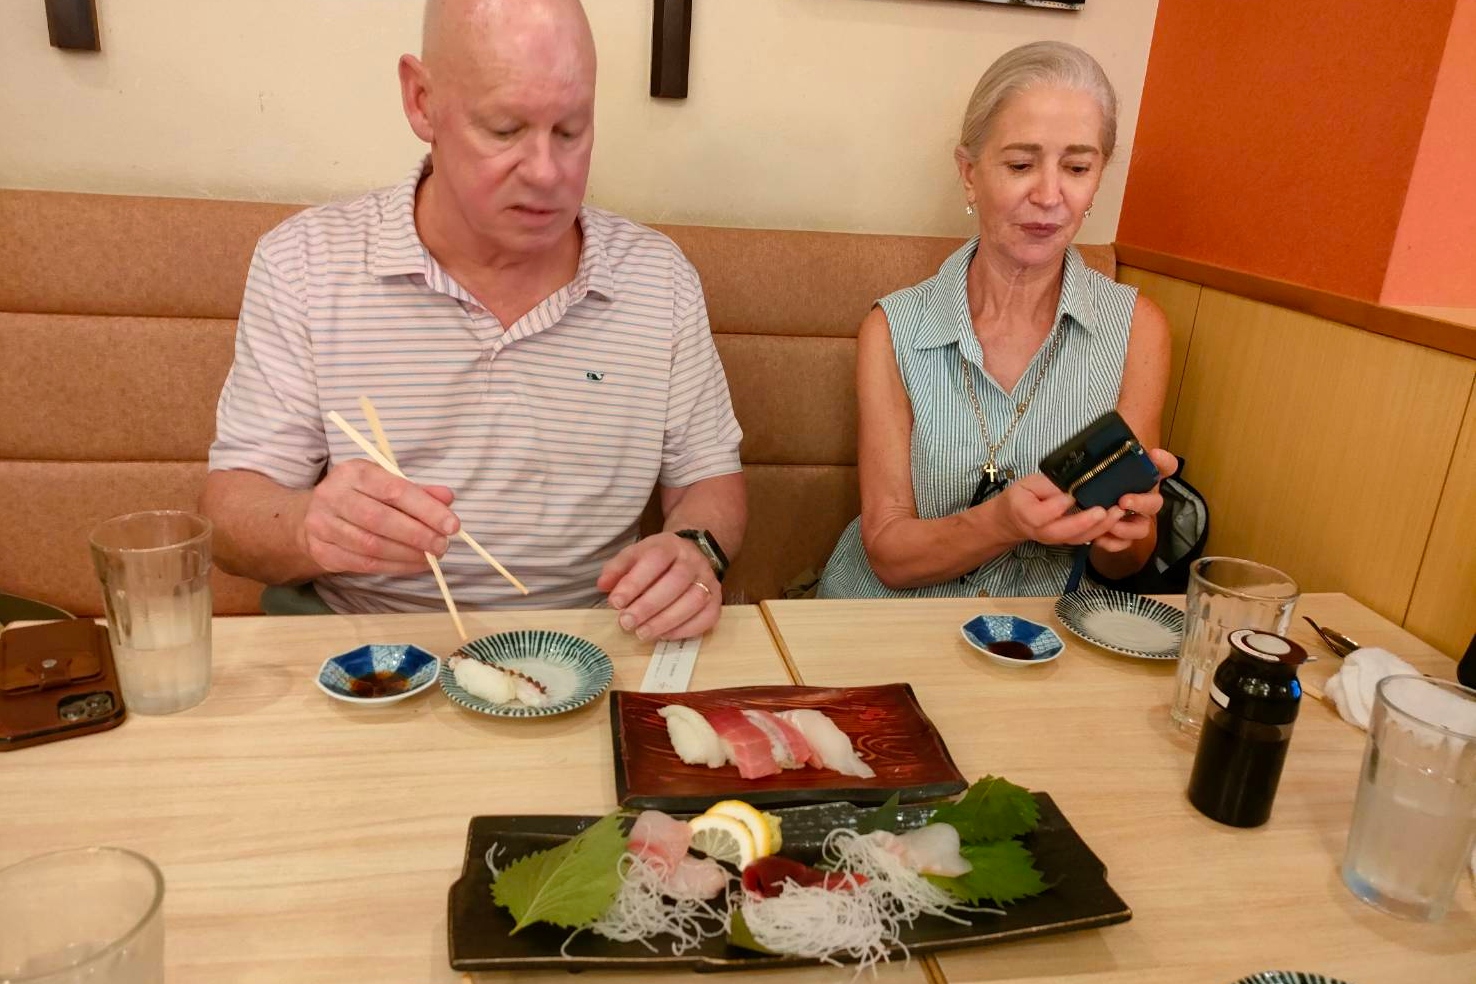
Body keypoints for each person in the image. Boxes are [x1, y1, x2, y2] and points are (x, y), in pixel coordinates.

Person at [200, 0, 745, 642]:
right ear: (422, 100)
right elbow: (229, 513)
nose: (546, 172)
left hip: (591, 647)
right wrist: (306, 526)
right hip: (369, 652)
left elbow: (708, 481)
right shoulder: (307, 264)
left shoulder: (657, 278)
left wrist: (695, 551)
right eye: (505, 129)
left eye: (571, 131)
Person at [818, 41, 1175, 600]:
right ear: (969, 173)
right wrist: (1004, 522)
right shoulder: (894, 328)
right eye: (1020, 165)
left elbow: (1126, 566)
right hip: (884, 625)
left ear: (1098, 179)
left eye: (1077, 167)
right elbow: (888, 553)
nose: (1050, 195)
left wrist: (1127, 532)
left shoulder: (1137, 328)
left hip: (1038, 641)